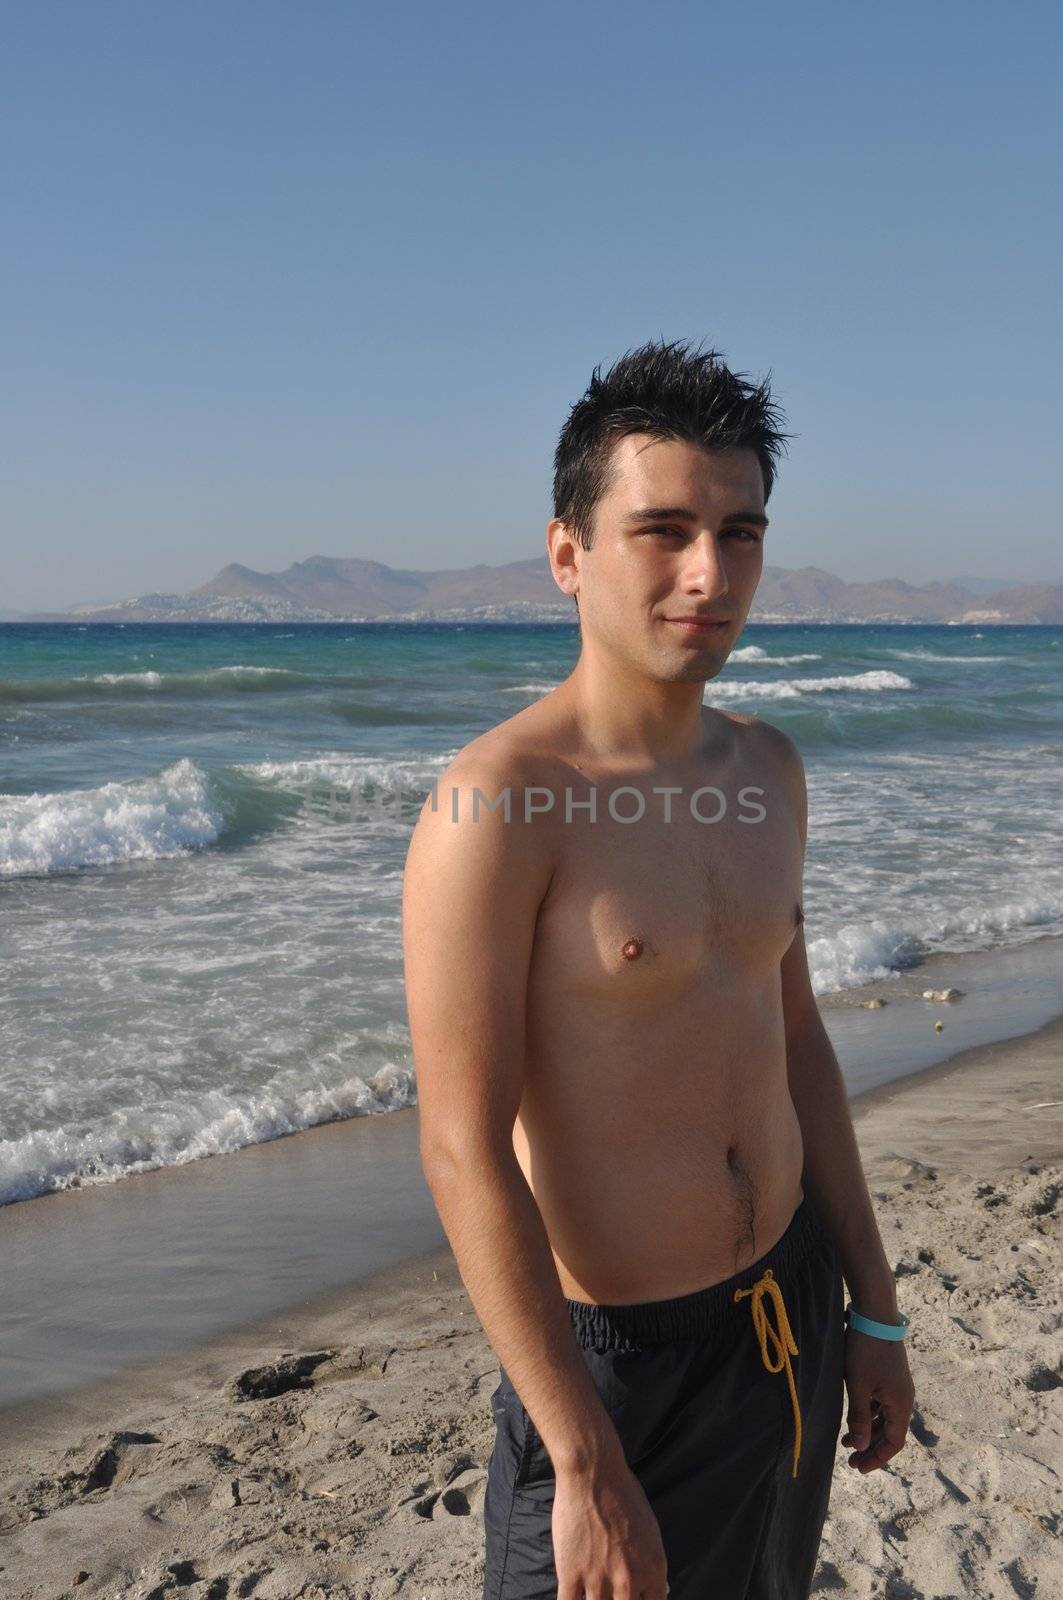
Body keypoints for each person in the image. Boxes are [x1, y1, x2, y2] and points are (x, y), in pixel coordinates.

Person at [401, 339, 915, 1600]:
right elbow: (462, 1146)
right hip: (610, 1370)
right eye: (664, 529)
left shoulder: (768, 772)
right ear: (568, 554)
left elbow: (794, 1050)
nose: (708, 572)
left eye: (740, 533)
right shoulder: (498, 803)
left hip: (785, 1317)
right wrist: (578, 1457)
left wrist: (876, 1307)